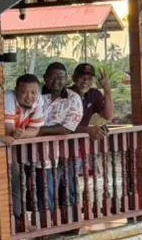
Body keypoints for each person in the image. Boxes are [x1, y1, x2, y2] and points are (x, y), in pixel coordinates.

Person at [39, 62, 83, 217]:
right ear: (45, 78)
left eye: (60, 77)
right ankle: (48, 224)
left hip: (66, 153)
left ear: (67, 79)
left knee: (68, 189)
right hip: (39, 156)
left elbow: (68, 127)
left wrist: (36, 131)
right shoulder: (36, 96)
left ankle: (72, 223)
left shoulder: (73, 98)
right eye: (52, 76)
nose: (56, 80)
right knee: (45, 191)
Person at [5, 74, 45, 224]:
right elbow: (9, 131)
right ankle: (16, 221)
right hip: (1, 145)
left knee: (19, 183)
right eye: (24, 92)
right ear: (16, 91)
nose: (29, 97)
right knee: (13, 182)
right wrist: (19, 134)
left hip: (14, 146)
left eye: (33, 92)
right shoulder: (8, 98)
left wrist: (20, 134)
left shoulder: (38, 101)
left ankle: (19, 220)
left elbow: (34, 130)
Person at [71, 63, 114, 140]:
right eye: (82, 77)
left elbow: (108, 116)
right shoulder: (65, 94)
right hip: (61, 141)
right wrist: (87, 130)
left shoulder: (93, 94)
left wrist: (107, 90)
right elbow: (63, 127)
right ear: (73, 78)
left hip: (80, 142)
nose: (85, 81)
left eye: (89, 78)